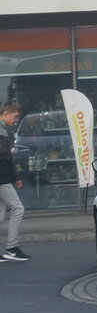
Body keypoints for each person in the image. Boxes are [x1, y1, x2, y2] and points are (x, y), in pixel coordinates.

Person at [0, 101, 29, 262]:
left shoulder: (4, 130)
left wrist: (15, 177)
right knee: (18, 208)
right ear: (5, 113)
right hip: (2, 178)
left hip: (4, 177)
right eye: (15, 116)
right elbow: (6, 156)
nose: (16, 120)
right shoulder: (2, 131)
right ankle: (12, 248)